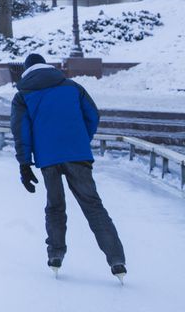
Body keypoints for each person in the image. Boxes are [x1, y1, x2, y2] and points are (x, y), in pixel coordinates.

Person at [11, 53, 126, 281]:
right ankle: (117, 260)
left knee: (55, 207)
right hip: (78, 155)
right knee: (94, 207)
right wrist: (81, 139)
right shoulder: (73, 87)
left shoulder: (23, 96)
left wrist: (25, 164)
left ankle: (55, 256)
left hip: (48, 159)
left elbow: (21, 131)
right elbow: (92, 115)